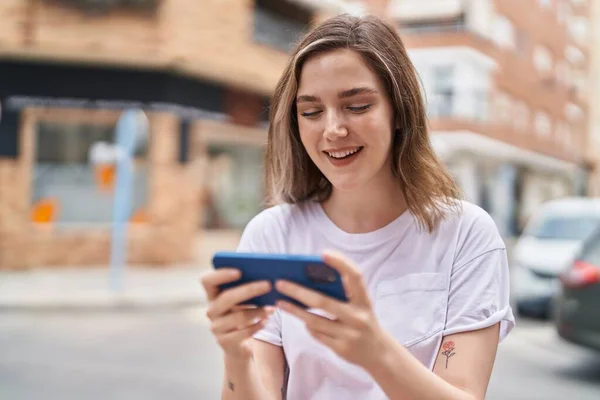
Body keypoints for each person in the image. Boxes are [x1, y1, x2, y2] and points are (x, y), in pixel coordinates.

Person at [201, 13, 515, 400]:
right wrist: (236, 354)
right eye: (312, 112)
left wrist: (375, 352)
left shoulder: (466, 234)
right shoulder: (271, 234)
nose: (333, 129)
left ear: (398, 111)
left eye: (357, 106)